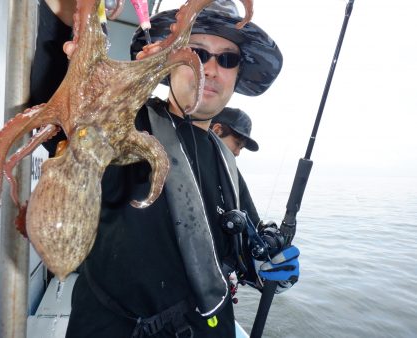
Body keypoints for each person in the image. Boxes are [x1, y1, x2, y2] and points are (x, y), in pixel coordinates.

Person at [30, 0, 299, 337]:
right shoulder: (127, 125)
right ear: (171, 61)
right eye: (197, 53)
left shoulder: (226, 160)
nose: (210, 70)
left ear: (237, 74)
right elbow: (56, 92)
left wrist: (269, 264)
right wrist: (71, 10)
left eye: (227, 59)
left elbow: (245, 247)